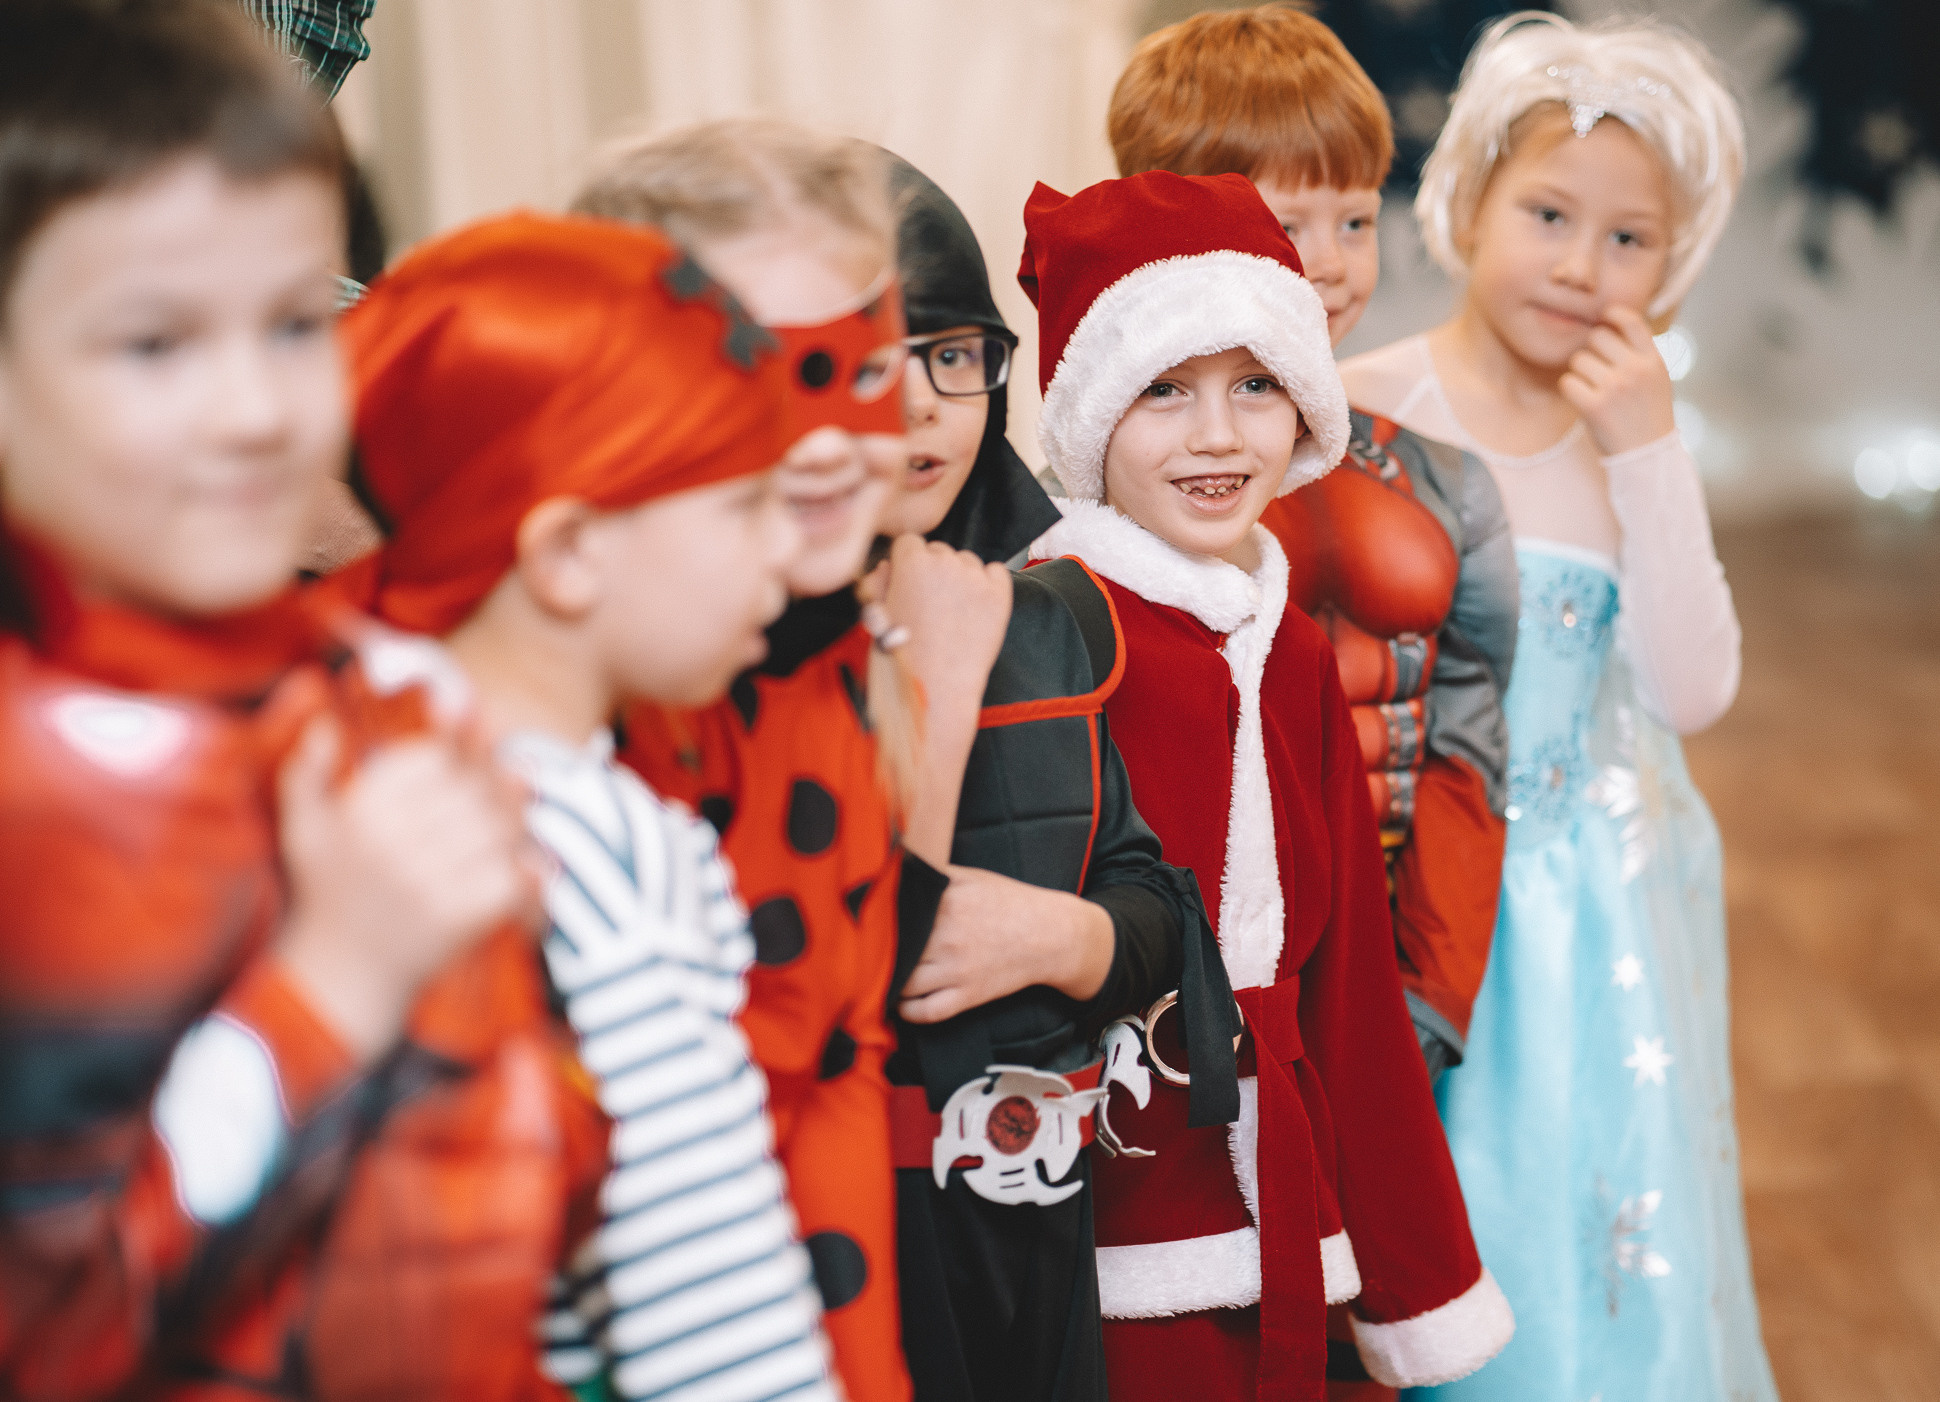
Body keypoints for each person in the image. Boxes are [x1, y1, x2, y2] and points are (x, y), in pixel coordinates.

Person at [592, 127, 1219, 1402]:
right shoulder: (699, 656)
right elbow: (825, 987)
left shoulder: (1045, 613)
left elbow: (1159, 904)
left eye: (955, 355)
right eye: (873, 360)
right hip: (820, 1254)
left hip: (1030, 1230)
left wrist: (1062, 939)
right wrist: (927, 696)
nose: (923, 405)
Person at [0, 2, 538, 1396]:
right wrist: (336, 982)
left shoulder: (337, 689)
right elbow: (51, 1330)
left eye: (298, 322)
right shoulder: (39, 789)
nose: (254, 408)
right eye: (153, 344)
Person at [334, 205, 918, 1402]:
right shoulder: (598, 851)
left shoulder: (348, 743)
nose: (781, 552)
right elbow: (713, 1339)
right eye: (739, 505)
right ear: (564, 553)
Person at [1340, 13, 1779, 1400]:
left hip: (1596, 908)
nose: (1582, 266)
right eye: (1547, 212)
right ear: (1468, 199)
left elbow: (1693, 687)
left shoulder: (1634, 437)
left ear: (1675, 260)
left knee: (1600, 1200)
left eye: (1630, 238)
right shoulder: (1365, 407)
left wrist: (1648, 453)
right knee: (1458, 1204)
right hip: (1423, 880)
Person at [1021, 170, 1514, 1401]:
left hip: (1279, 1199)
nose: (1216, 434)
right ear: (1090, 417)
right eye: (1162, 391)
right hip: (1101, 1196)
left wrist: (1414, 1288)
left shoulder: (1285, 644)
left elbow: (1344, 977)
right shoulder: (1049, 640)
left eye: (1253, 385)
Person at [1108, 1, 1520, 1093]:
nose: (1332, 267)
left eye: (1355, 221)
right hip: (1186, 996)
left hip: (1400, 973)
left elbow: (1467, 741)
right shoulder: (1124, 498)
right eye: (1294, 227)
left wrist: (1428, 994)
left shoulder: (1442, 483)